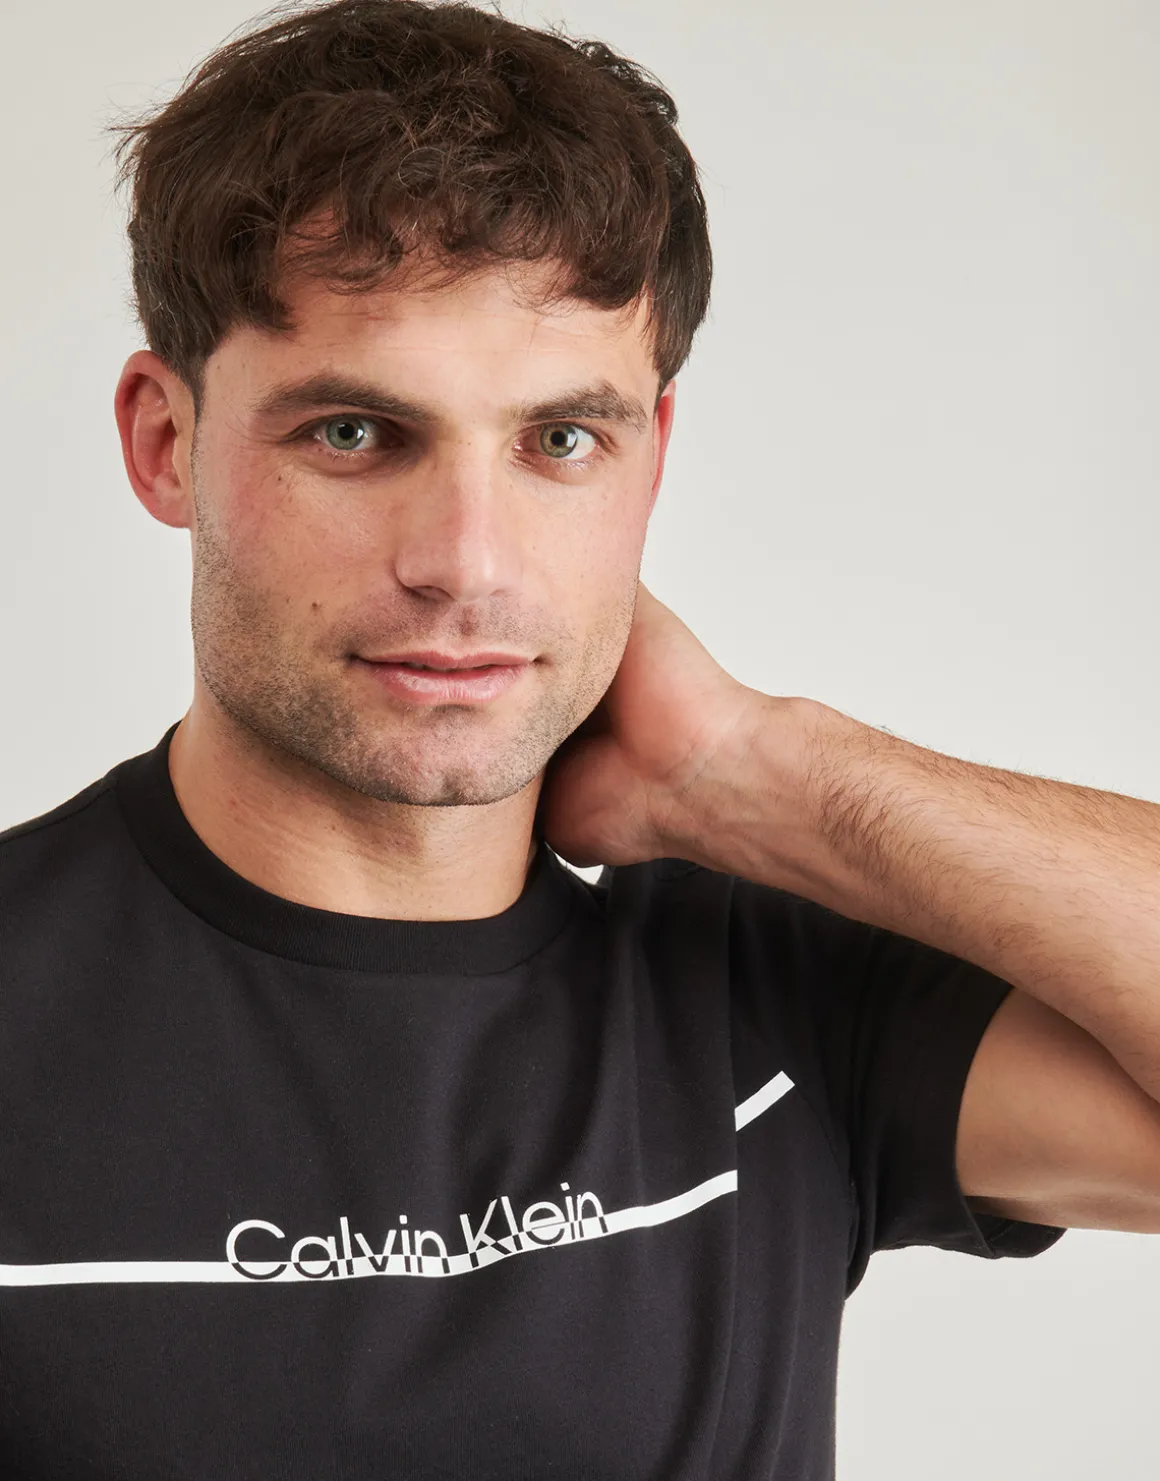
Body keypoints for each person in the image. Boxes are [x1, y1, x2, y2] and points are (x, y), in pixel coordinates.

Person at [2, 1, 1158, 1475]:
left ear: (651, 458)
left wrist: (763, 773)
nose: (466, 563)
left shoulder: (768, 996)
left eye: (561, 441)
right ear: (165, 442)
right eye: (354, 433)